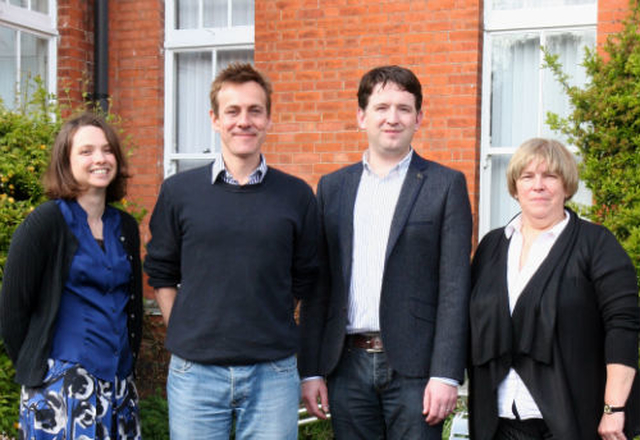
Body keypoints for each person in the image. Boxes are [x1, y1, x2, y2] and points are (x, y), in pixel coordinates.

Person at [143, 63, 318, 440]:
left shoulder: (297, 195)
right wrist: (188, 328)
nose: (245, 121)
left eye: (255, 110)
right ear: (215, 119)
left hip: (273, 372)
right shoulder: (179, 192)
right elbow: (161, 272)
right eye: (233, 111)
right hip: (195, 374)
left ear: (268, 118)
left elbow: (304, 277)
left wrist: (266, 320)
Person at [299, 65, 472, 439]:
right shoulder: (332, 188)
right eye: (381, 108)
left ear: (419, 118)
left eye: (404, 108)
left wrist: (445, 374)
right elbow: (319, 286)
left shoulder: (446, 185)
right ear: (361, 116)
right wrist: (312, 370)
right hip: (346, 365)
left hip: (416, 371)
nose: (392, 118)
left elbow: (455, 287)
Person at [468, 138, 640, 440]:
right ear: (515, 186)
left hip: (570, 422)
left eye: (550, 176)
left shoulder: (596, 244)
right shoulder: (491, 247)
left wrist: (614, 408)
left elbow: (622, 325)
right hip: (497, 422)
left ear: (566, 185)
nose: (538, 185)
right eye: (527, 176)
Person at [0, 112, 143, 438]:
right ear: (66, 161)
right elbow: (12, 313)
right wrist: (43, 370)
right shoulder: (45, 223)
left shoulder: (125, 228)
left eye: (107, 150)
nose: (100, 159)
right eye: (86, 151)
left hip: (119, 388)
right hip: (58, 390)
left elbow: (131, 306)